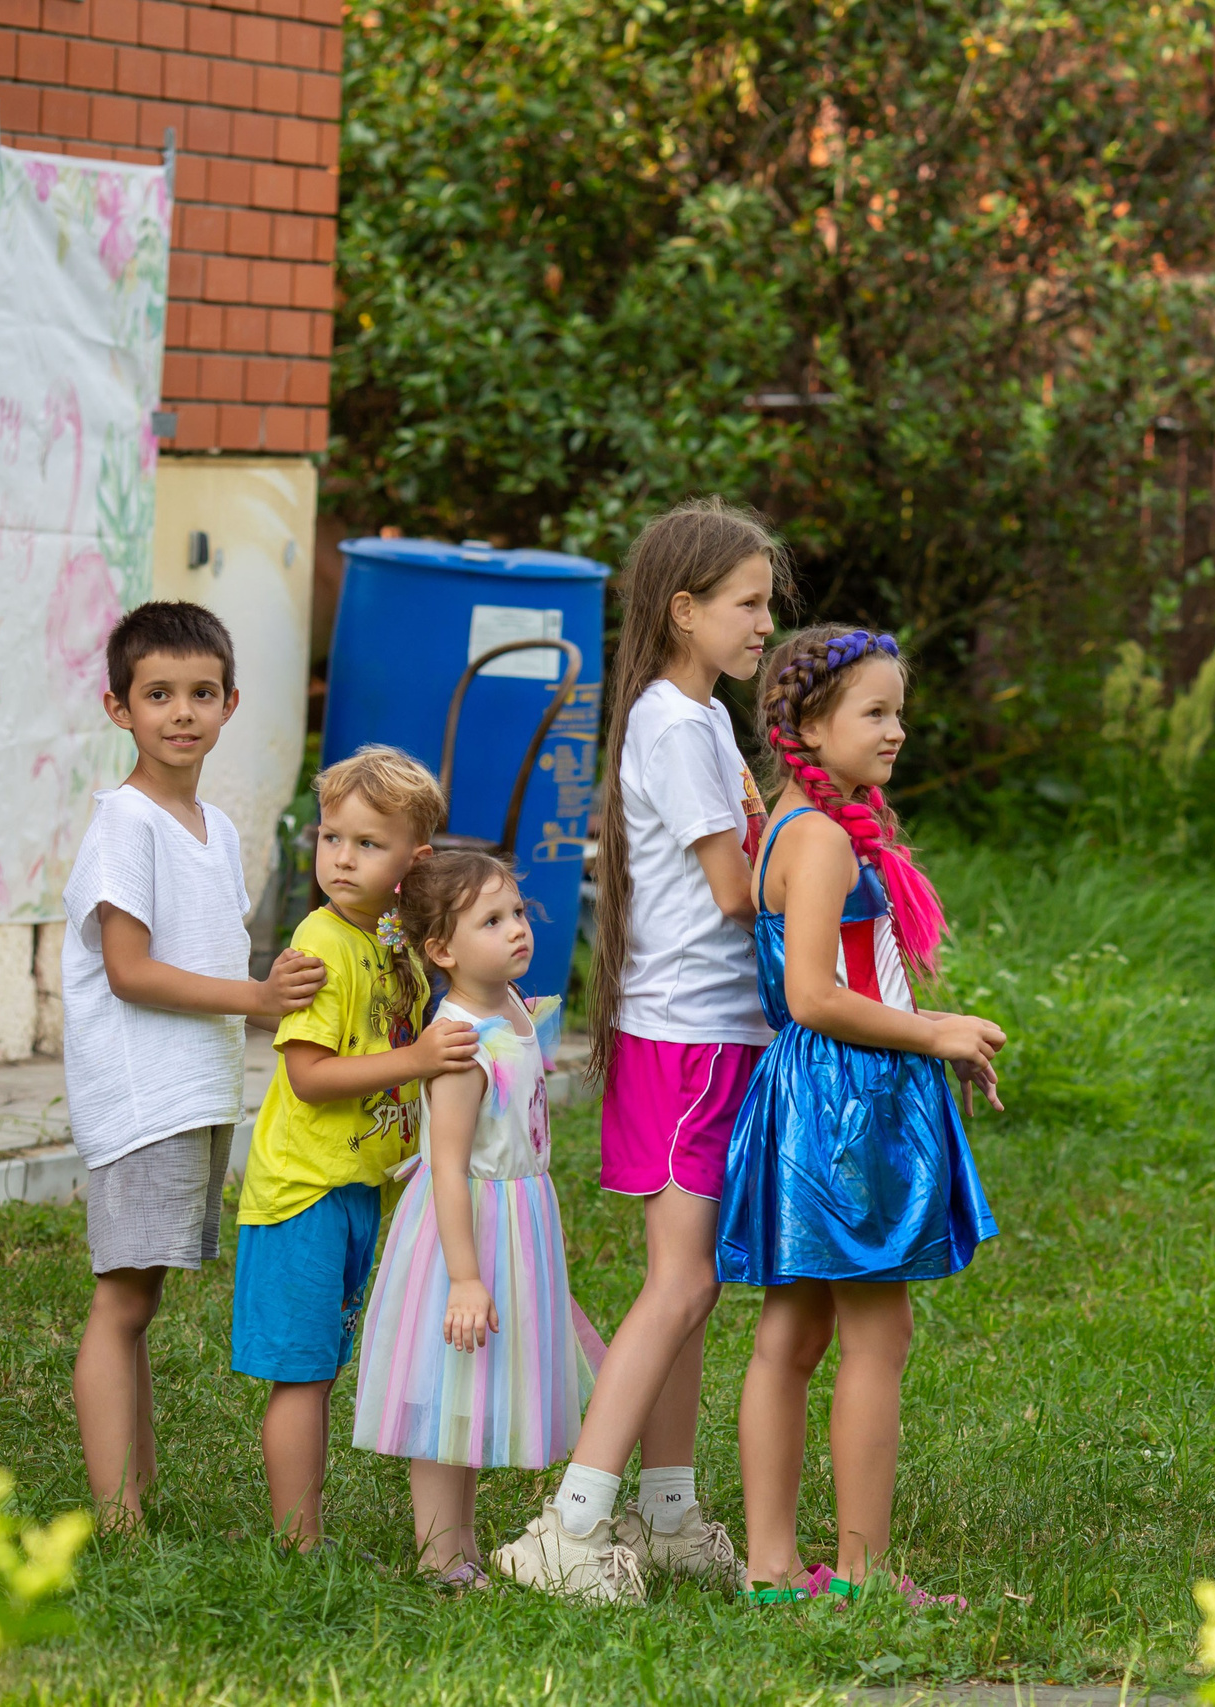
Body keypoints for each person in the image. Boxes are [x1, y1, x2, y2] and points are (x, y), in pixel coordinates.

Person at [495, 499, 780, 1601]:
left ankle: (666, 1516)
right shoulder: (674, 722)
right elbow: (730, 892)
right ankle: (567, 1530)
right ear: (685, 610)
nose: (764, 625)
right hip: (690, 1042)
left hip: (707, 1038)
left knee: (693, 1288)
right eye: (748, 605)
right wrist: (815, 859)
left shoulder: (699, 717)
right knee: (677, 1286)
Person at [720, 625, 1004, 1607]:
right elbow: (809, 995)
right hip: (847, 1106)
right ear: (808, 724)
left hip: (818, 1098)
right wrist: (929, 1037)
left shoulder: (794, 831)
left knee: (791, 1338)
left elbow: (846, 979)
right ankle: (867, 1574)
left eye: (899, 712)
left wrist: (939, 1028)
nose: (896, 732)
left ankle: (769, 1569)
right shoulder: (824, 840)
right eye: (874, 713)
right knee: (877, 1339)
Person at [60, 602, 328, 1532]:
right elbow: (130, 971)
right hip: (141, 1096)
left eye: (201, 693)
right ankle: (117, 1515)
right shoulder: (126, 825)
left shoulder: (209, 823)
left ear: (231, 703)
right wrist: (257, 998)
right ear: (117, 708)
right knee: (122, 1298)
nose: (182, 712)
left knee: (141, 1297)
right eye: (158, 694)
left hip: (189, 1091)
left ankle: (133, 1493)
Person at [235, 745, 479, 1548]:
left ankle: (304, 1529)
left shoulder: (394, 940)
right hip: (303, 1188)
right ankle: (297, 1543)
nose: (341, 857)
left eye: (367, 843)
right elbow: (308, 1074)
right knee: (302, 1371)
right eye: (331, 837)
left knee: (325, 1365)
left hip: (356, 1185)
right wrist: (415, 1061)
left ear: (416, 859)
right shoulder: (320, 943)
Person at [350, 851, 603, 1591]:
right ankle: (439, 1552)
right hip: (465, 1225)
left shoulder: (514, 1003)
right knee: (443, 1384)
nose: (517, 929)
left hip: (517, 1216)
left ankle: (459, 1543)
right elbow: (451, 1163)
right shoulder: (459, 1038)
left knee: (472, 1384)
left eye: (518, 912)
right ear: (441, 950)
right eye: (492, 920)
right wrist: (464, 1275)